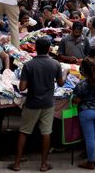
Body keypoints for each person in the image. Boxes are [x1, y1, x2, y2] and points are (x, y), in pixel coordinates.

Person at [11, 37, 63, 172]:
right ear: (49, 49)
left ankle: (17, 164)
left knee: (24, 131)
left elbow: (22, 88)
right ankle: (43, 164)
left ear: (35, 48)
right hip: (48, 103)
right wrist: (66, 74)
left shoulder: (28, 65)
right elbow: (61, 83)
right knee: (46, 132)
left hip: (32, 102)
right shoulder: (55, 64)